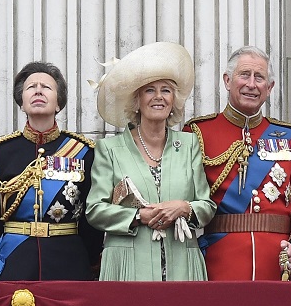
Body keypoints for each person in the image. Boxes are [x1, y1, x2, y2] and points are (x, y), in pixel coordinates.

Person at [185, 47, 291, 281]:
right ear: (227, 81)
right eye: (244, 75)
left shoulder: (290, 137)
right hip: (218, 262)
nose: (251, 84)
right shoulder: (198, 133)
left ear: (269, 88)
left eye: (259, 78)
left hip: (277, 264)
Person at [87, 43, 217, 281]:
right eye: (149, 90)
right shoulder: (109, 149)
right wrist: (138, 217)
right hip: (127, 265)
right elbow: (95, 210)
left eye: (166, 90)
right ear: (136, 101)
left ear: (173, 100)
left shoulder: (189, 145)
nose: (159, 97)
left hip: (182, 264)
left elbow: (207, 206)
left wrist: (184, 207)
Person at [0, 62, 102, 280]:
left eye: (46, 87)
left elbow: (90, 219)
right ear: (22, 102)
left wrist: (89, 258)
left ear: (58, 103)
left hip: (68, 259)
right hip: (15, 259)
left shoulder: (85, 152)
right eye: (31, 87)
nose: (38, 90)